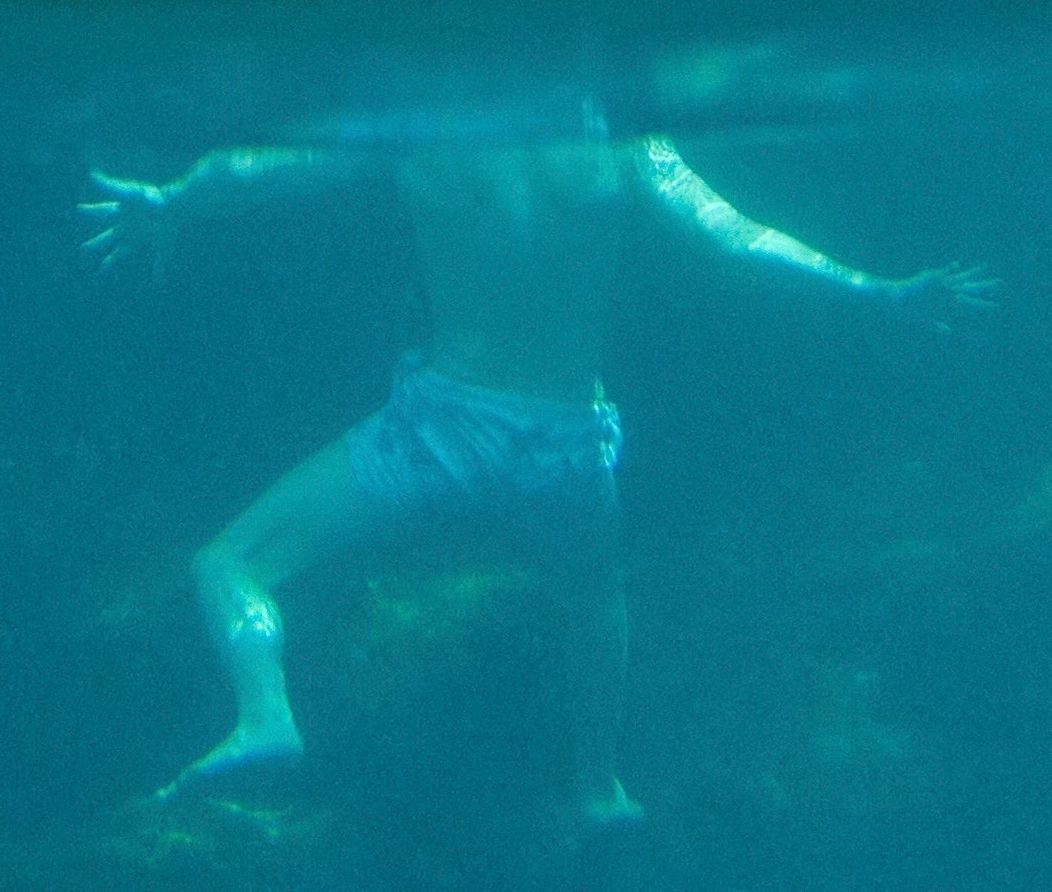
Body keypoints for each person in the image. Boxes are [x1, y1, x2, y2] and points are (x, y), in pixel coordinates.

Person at [86, 112, 994, 826]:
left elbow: (264, 166)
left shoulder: (422, 118)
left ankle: (266, 718)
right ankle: (600, 790)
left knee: (230, 561)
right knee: (595, 597)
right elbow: (734, 236)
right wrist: (875, 288)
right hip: (564, 445)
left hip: (440, 429)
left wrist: (172, 199)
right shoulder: (619, 131)